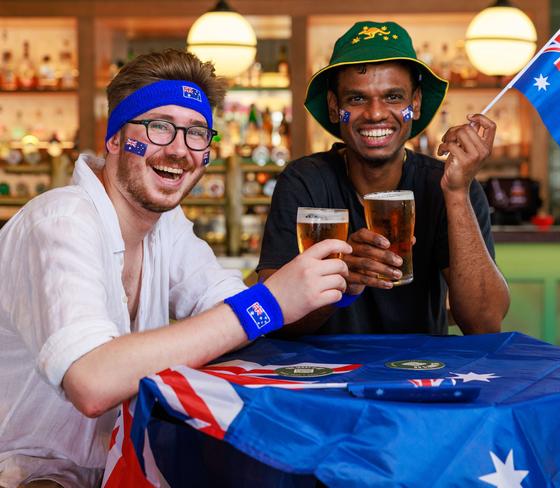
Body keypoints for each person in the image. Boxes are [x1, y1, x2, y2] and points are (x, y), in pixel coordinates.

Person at [0, 49, 351, 488]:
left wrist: (328, 282)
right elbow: (92, 381)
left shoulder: (165, 227)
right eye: (159, 127)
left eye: (197, 133)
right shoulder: (61, 221)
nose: (180, 150)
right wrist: (269, 301)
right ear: (114, 138)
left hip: (122, 466)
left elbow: (230, 307)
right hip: (28, 475)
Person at [257, 21, 510, 336]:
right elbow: (268, 318)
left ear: (414, 104)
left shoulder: (449, 184)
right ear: (335, 108)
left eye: (393, 97)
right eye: (357, 99)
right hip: (323, 374)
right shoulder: (304, 181)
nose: (376, 113)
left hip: (422, 373)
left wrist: (457, 192)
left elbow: (484, 323)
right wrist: (339, 277)